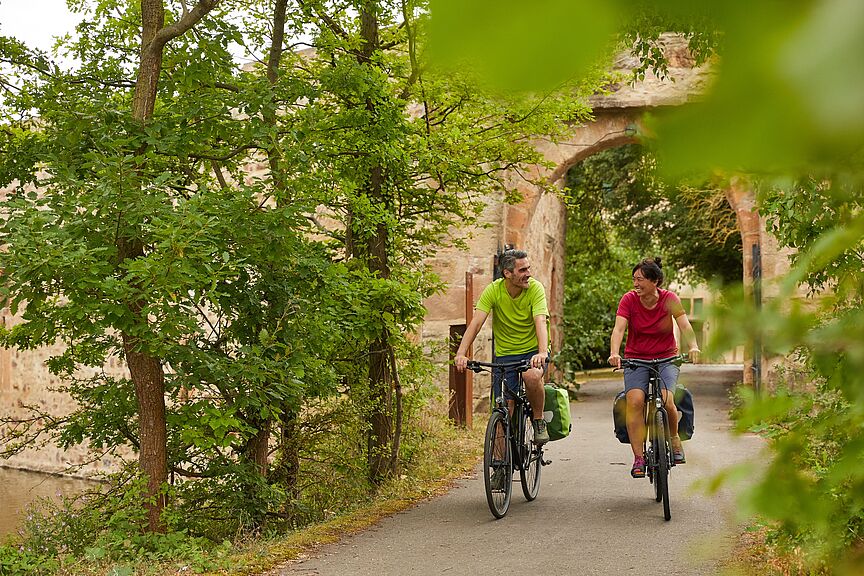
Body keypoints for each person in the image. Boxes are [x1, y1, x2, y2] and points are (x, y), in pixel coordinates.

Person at [608, 257, 700, 478]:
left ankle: (675, 439)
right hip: (636, 359)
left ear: (654, 281)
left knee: (667, 400)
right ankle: (639, 458)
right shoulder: (629, 300)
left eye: (640, 279)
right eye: (634, 279)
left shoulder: (669, 299)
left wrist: (694, 346)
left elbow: (684, 324)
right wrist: (614, 352)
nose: (635, 284)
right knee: (635, 401)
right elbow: (619, 329)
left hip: (666, 358)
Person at [454, 249, 550, 446]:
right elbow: (476, 323)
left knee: (532, 376)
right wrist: (461, 354)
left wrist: (541, 352)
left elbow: (540, 321)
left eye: (528, 268)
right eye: (523, 270)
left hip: (533, 351)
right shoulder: (494, 290)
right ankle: (499, 468)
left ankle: (538, 420)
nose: (528, 274)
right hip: (506, 354)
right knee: (503, 409)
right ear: (507, 273)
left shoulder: (535, 289)